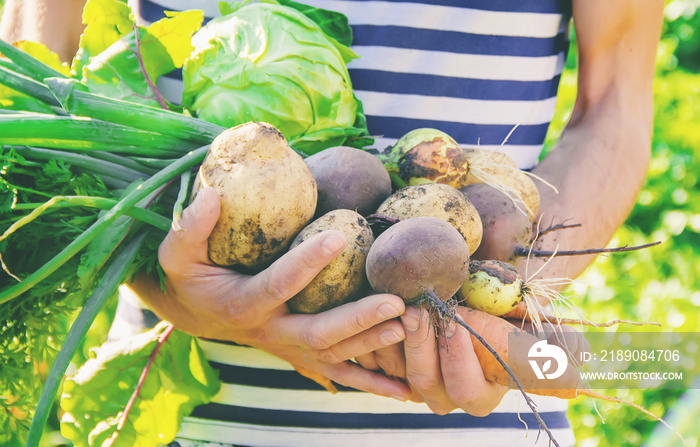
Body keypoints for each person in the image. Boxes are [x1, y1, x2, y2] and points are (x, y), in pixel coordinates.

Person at [0, 0, 665, 445]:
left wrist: (503, 289)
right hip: (208, 419)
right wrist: (186, 296)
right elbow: (33, 112)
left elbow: (617, 105)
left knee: (653, 362)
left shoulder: (465, 263)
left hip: (483, 400)